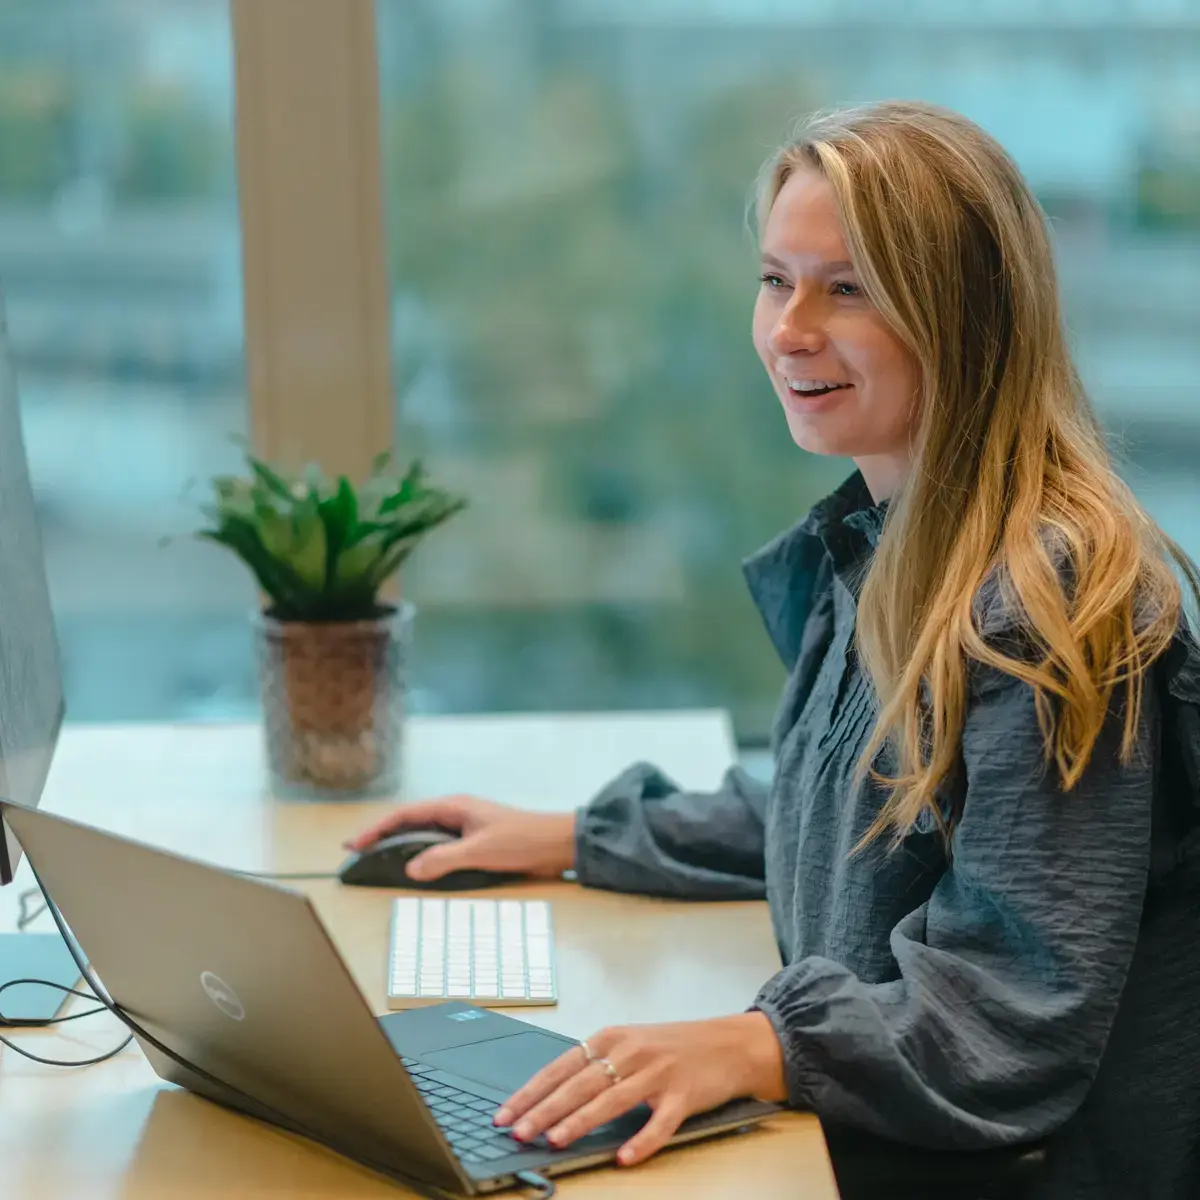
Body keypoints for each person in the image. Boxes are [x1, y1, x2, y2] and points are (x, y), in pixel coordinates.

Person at [348, 101, 1200, 1199]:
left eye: (846, 289)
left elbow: (1009, 1008)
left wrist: (756, 1044)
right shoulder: (891, 544)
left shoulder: (1051, 603)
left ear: (965, 317)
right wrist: (579, 834)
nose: (789, 328)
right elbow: (841, 812)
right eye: (774, 279)